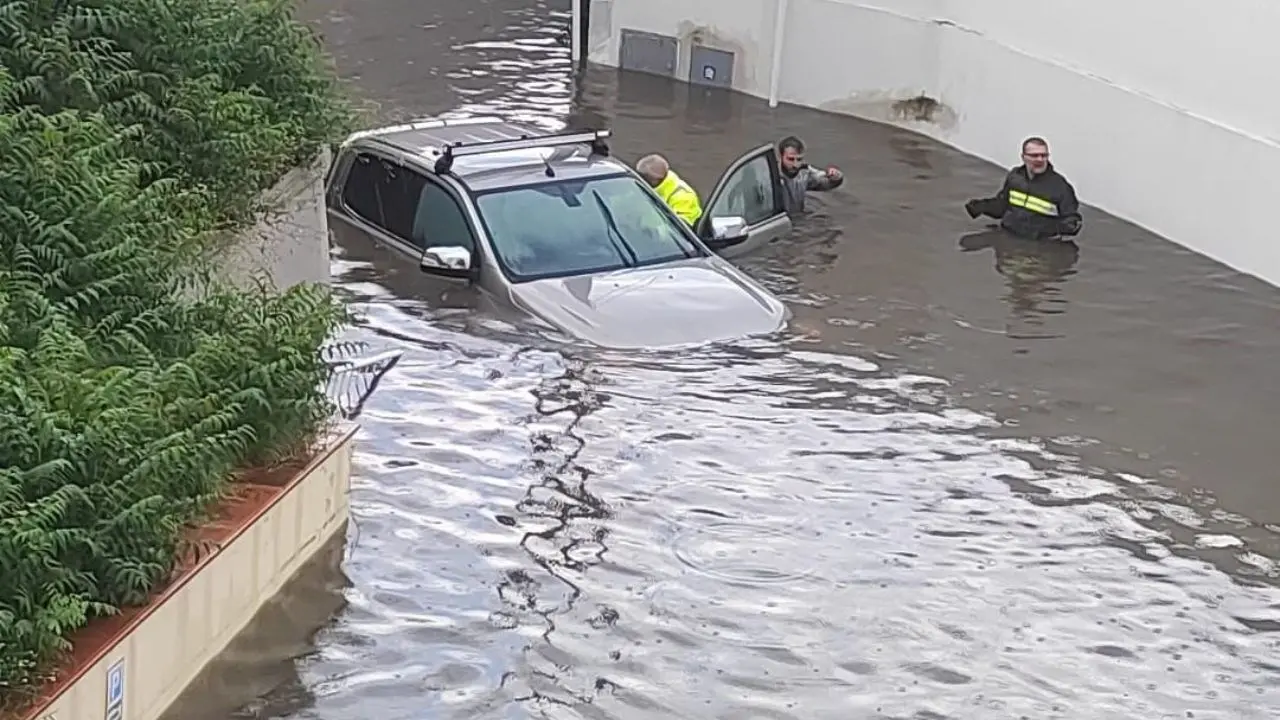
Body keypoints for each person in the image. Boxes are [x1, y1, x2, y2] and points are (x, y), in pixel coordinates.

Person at [964, 137, 1083, 241]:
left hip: (1040, 247)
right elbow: (1002, 206)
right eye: (1034, 155)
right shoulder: (1015, 178)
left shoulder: (1060, 186)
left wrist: (1045, 229)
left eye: (1044, 155)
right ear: (1023, 157)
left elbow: (1073, 222)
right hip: (1008, 238)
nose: (1040, 159)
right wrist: (982, 207)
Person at [776, 136, 843, 214]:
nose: (795, 164)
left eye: (799, 159)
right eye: (790, 159)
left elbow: (826, 184)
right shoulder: (771, 175)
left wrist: (836, 176)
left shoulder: (803, 174)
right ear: (780, 157)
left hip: (797, 218)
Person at [636, 154, 703, 226]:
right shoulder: (650, 189)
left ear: (655, 180)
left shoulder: (683, 196)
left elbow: (679, 229)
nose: (640, 180)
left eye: (643, 178)